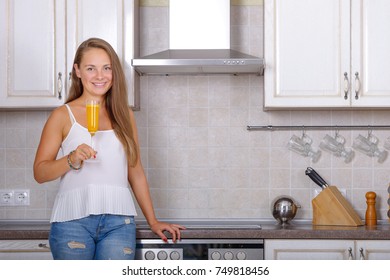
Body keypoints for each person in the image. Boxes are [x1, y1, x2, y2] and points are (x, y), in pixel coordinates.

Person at [33, 37, 185, 260]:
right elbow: (40, 172)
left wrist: (153, 220)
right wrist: (70, 159)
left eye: (107, 68)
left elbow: (135, 171)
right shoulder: (62, 116)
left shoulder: (125, 115)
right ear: (77, 71)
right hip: (72, 223)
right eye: (90, 68)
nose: (100, 76)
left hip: (119, 223)